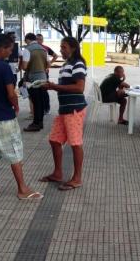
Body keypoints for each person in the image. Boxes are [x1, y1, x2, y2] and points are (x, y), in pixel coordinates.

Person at [0, 33, 43, 200]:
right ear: (3, 48)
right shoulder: (3, 67)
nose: (11, 53)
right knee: (15, 152)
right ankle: (22, 189)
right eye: (10, 49)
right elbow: (10, 93)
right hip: (4, 117)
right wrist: (16, 105)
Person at [40, 37, 87, 191]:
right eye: (61, 47)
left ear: (73, 48)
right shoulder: (67, 64)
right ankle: (58, 173)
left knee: (75, 143)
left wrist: (55, 87)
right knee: (54, 140)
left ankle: (77, 178)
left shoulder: (78, 64)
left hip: (74, 110)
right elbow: (65, 85)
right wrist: (52, 86)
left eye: (64, 47)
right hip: (64, 110)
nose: (61, 50)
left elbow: (79, 88)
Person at [20, 33, 48, 132]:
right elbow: (47, 64)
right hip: (43, 78)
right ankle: (39, 122)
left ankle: (36, 123)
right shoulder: (44, 49)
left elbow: (24, 67)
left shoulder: (28, 50)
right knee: (40, 101)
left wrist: (21, 60)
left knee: (35, 102)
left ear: (27, 40)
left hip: (33, 79)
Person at [36, 33, 59, 115]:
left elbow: (55, 56)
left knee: (44, 90)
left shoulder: (45, 48)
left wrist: (49, 65)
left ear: (42, 40)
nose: (39, 41)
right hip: (35, 73)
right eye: (37, 39)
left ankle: (46, 108)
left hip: (44, 73)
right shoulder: (33, 49)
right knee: (36, 90)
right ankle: (38, 108)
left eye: (40, 39)